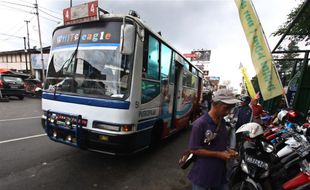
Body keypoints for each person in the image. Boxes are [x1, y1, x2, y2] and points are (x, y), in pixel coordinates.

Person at [188, 89, 240, 190]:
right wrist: (219, 154)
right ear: (215, 104)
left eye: (230, 108)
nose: (228, 112)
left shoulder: (222, 122)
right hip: (203, 175)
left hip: (220, 174)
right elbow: (194, 149)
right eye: (225, 108)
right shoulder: (200, 124)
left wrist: (228, 150)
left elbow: (218, 144)